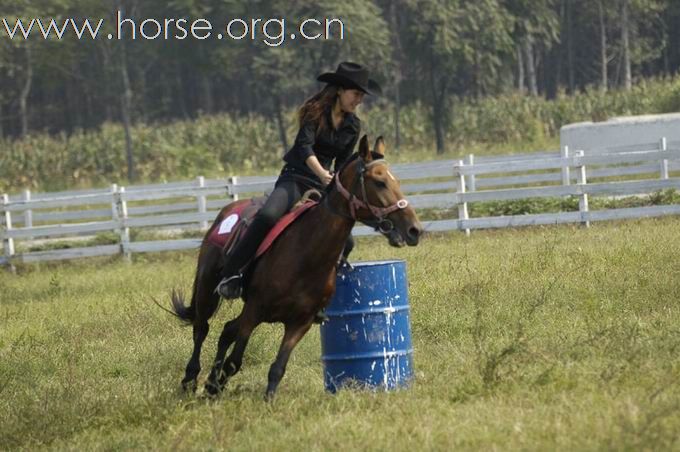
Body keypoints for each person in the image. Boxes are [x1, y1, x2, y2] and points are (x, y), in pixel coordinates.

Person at [216, 61, 383, 301]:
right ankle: (231, 274)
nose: (359, 100)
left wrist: (336, 181)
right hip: (295, 178)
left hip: (324, 184)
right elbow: (304, 147)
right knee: (267, 216)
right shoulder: (313, 111)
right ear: (340, 90)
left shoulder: (353, 126)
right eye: (356, 94)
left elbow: (342, 163)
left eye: (361, 96)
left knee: (346, 242)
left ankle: (317, 295)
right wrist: (321, 173)